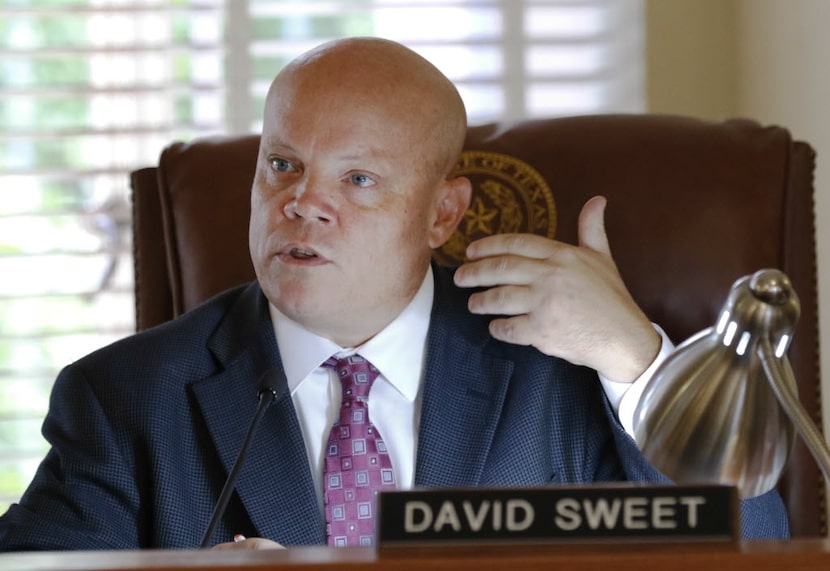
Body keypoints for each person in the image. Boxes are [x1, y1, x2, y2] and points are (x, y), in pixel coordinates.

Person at [0, 37, 787, 552]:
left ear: (442, 212)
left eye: (358, 178)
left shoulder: (559, 375)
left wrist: (636, 358)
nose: (303, 203)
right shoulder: (126, 398)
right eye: (282, 164)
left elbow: (753, 548)